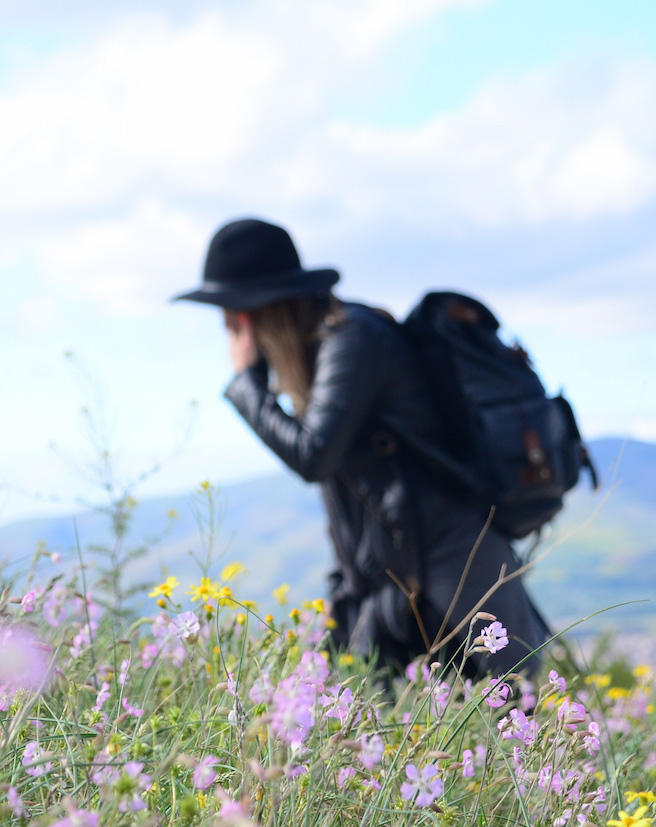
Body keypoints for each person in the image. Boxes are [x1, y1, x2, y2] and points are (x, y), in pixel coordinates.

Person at [173, 217, 549, 678]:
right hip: (392, 580)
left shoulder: (353, 338)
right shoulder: (325, 346)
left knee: (515, 718)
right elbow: (345, 492)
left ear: (246, 315)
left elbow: (313, 456)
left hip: (453, 568)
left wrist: (246, 381)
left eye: (230, 319)